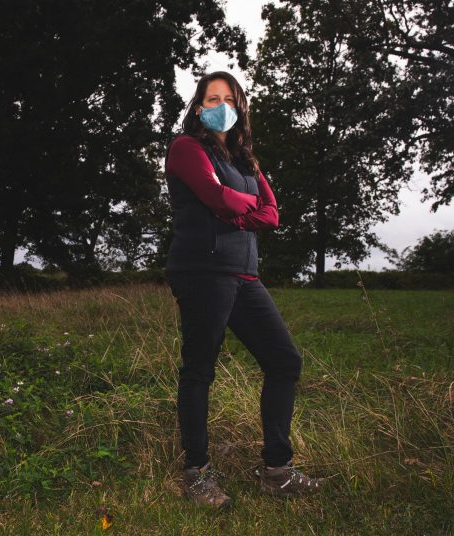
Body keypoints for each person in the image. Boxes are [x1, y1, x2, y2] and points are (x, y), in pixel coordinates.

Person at [164, 71, 323, 510]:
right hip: (202, 272)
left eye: (228, 99)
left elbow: (272, 215)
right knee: (199, 369)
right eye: (211, 99)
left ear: (239, 107)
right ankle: (196, 474)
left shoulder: (246, 160)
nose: (220, 106)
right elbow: (218, 202)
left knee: (284, 360)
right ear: (198, 107)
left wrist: (236, 206)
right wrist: (235, 205)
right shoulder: (185, 149)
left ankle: (276, 471)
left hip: (245, 275)